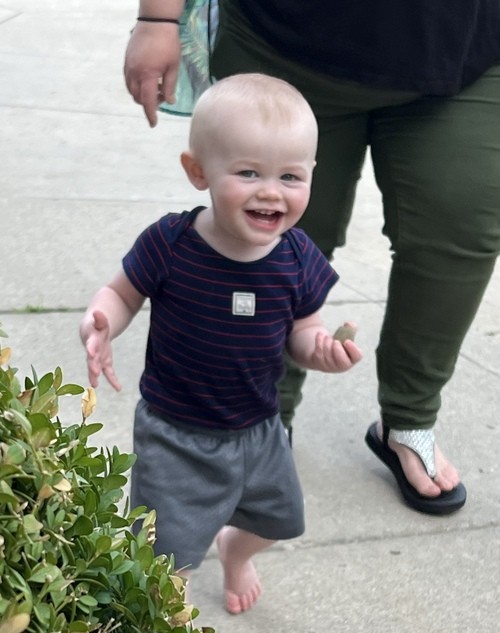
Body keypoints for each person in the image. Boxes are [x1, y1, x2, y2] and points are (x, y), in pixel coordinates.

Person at [123, 0, 500, 516]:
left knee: (458, 226)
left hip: (467, 47)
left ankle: (409, 419)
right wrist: (157, 19)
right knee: (264, 240)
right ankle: (259, 424)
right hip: (287, 39)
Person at [80, 73, 362, 615]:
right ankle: (164, 618)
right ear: (198, 172)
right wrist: (101, 323)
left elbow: (303, 332)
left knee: (278, 521)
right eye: (248, 172)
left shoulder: (298, 257)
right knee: (164, 555)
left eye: (290, 176)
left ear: (312, 175)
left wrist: (322, 351)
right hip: (175, 433)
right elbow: (120, 294)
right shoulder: (170, 243)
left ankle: (236, 550)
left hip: (259, 429)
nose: (271, 191)